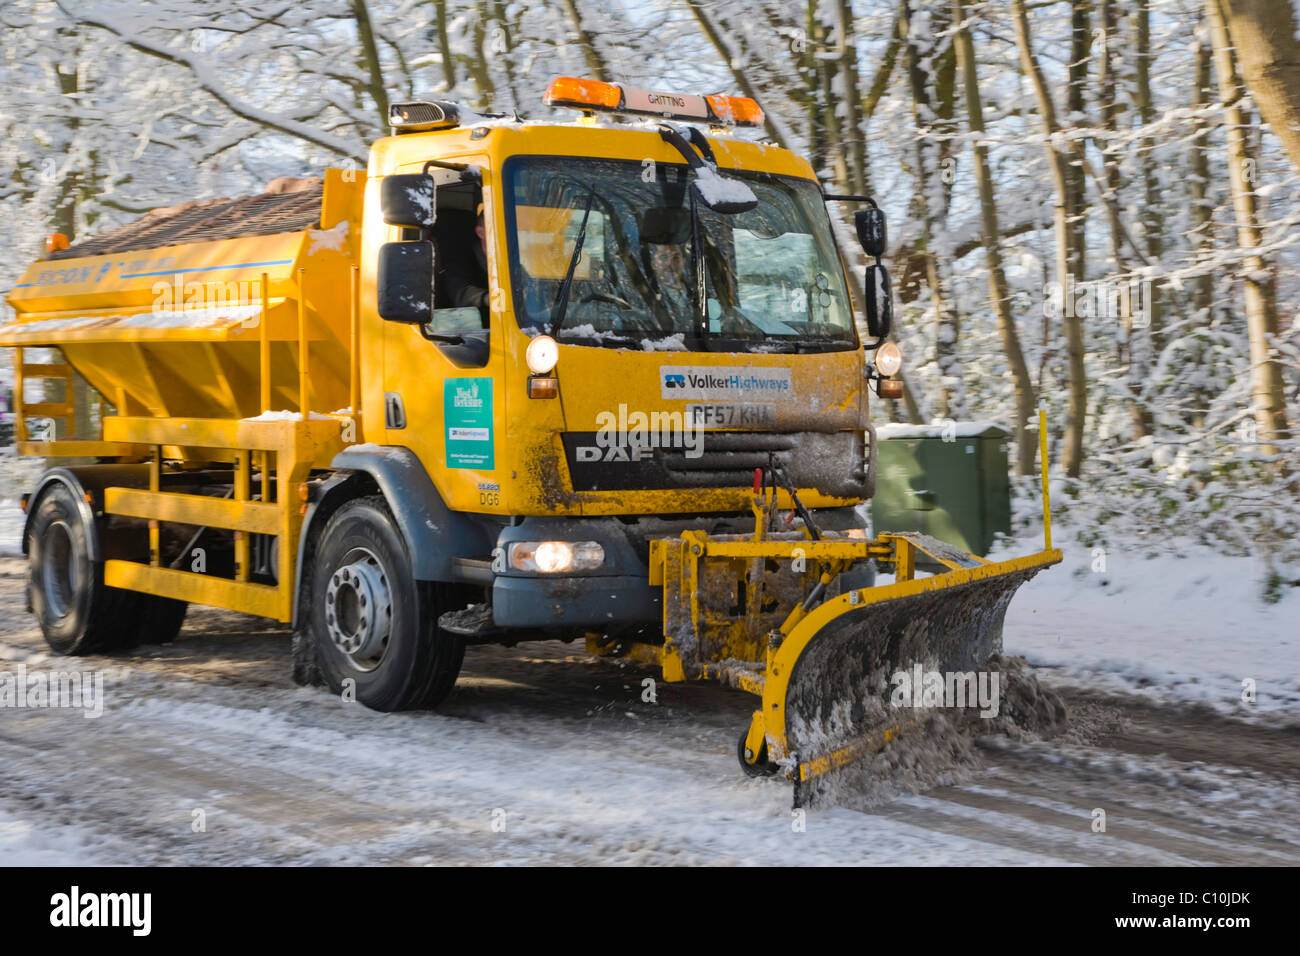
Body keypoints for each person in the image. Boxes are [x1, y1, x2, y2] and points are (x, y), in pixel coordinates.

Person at [438, 201, 490, 323]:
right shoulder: (459, 259)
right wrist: (491, 298)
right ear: (481, 232)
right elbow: (462, 293)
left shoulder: (509, 262)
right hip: (461, 332)